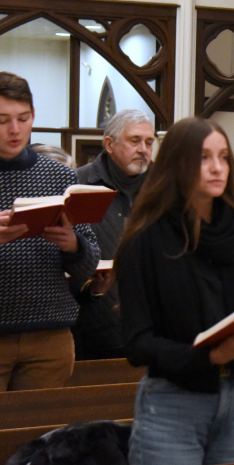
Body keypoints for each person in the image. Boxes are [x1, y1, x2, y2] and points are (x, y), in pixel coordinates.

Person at [115, 117, 234, 465]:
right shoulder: (146, 240)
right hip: (173, 402)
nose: (216, 167)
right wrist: (212, 354)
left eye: (223, 157)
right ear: (177, 163)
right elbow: (138, 343)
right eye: (203, 157)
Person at [0, 72, 100, 394]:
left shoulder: (59, 176)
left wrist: (73, 247)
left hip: (49, 336)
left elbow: (89, 265)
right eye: (2, 120)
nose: (15, 130)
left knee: (42, 437)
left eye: (23, 118)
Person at [73, 109, 155, 361]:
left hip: (151, 327)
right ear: (109, 144)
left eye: (149, 142)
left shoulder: (163, 186)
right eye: (135, 140)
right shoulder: (79, 184)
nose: (143, 149)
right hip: (92, 328)